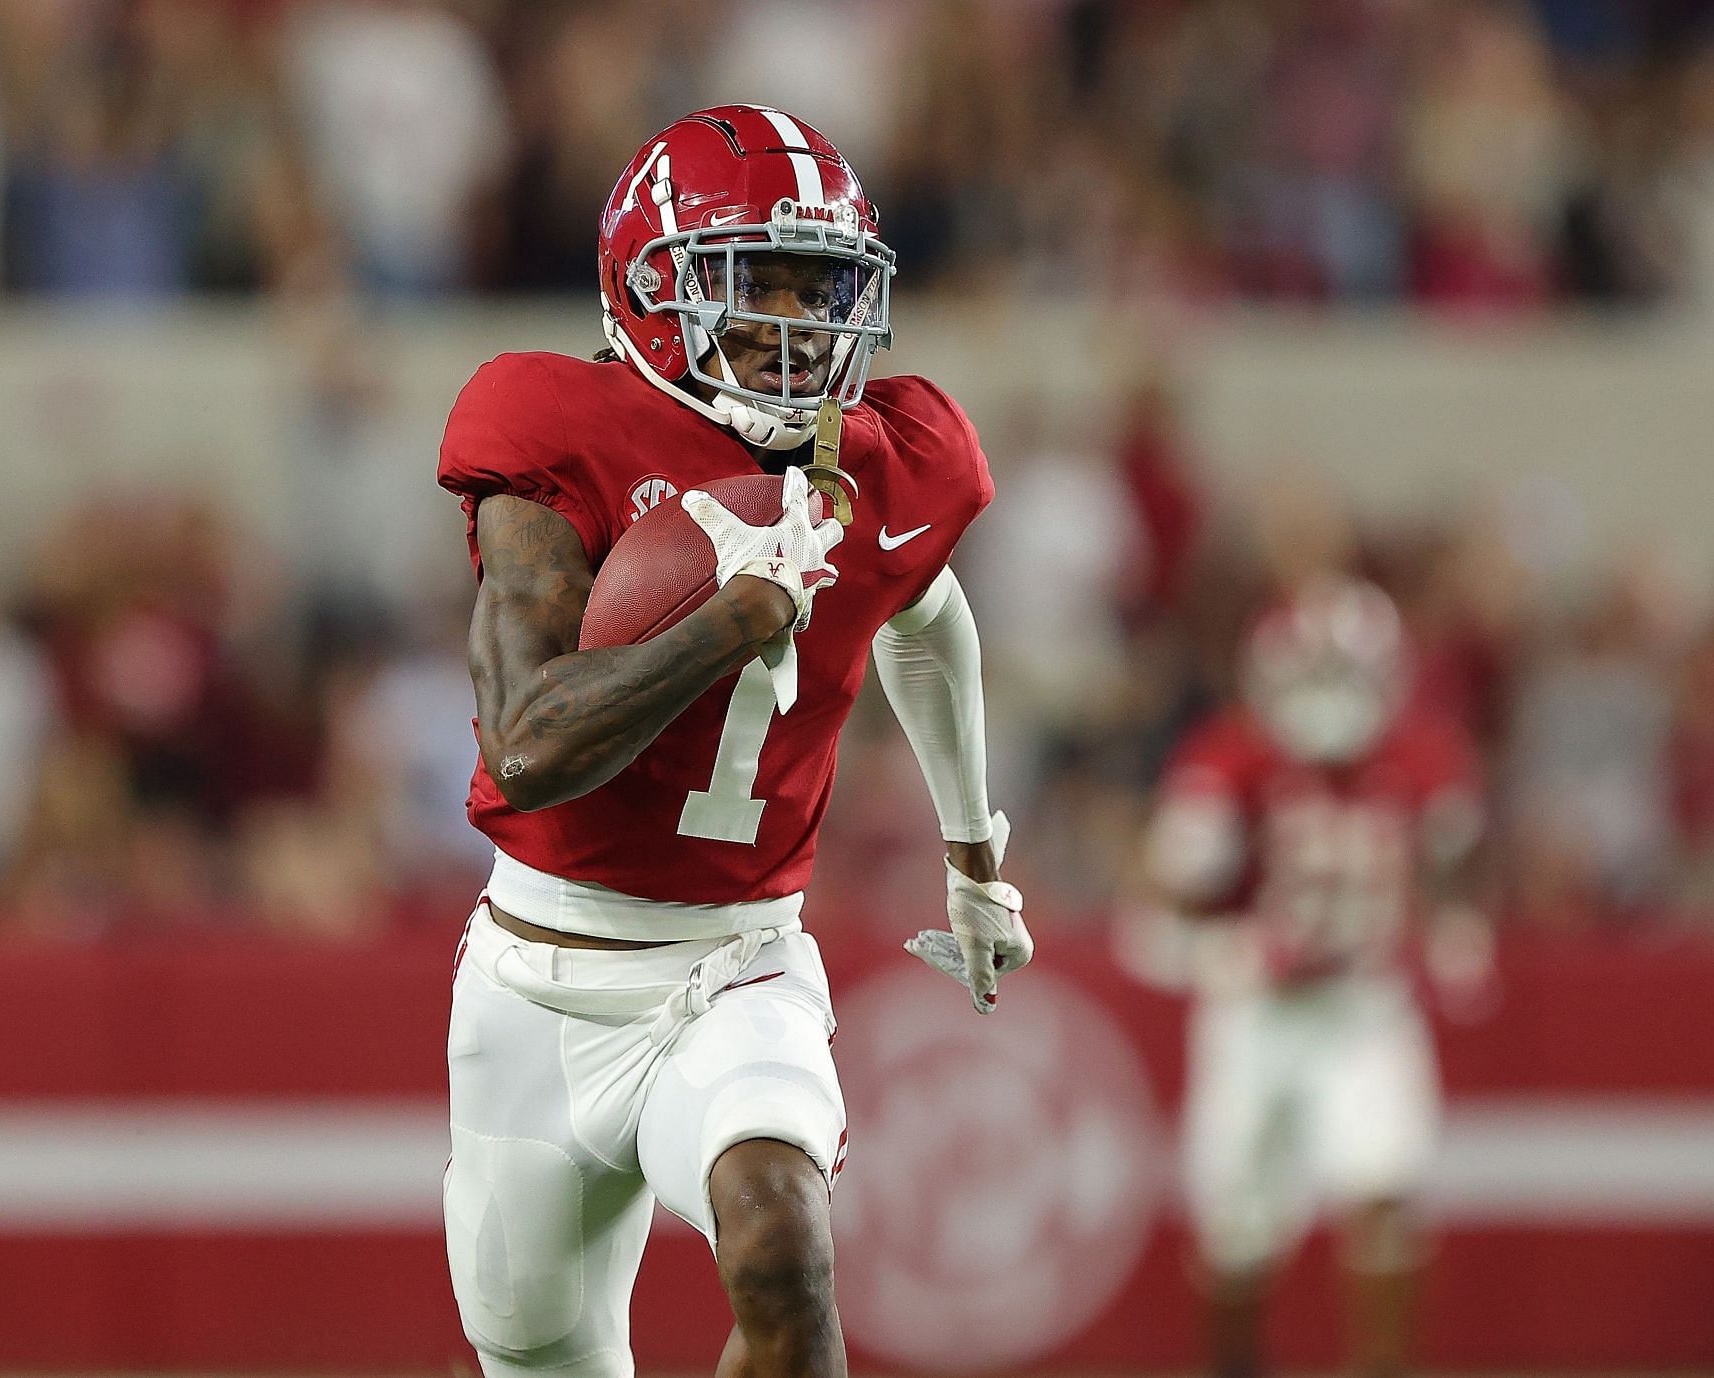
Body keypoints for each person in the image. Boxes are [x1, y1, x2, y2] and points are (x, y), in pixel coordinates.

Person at [435, 106, 1034, 1378]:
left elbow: (923, 614)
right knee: (539, 1352)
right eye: (748, 284)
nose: (791, 329)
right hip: (541, 978)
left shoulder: (885, 461)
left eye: (819, 291)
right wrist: (733, 620)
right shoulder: (557, 436)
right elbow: (531, 742)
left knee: (783, 1250)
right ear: (648, 288)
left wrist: (974, 852)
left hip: (737, 965)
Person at [1123, 578, 1491, 1378]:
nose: (1331, 700)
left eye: (1344, 677)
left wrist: (1453, 928)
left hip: (1364, 1008)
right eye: (1314, 677)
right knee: (1238, 1237)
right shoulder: (1229, 762)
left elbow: (1459, 869)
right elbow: (1150, 921)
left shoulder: (1423, 758)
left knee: (1387, 1196)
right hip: (1255, 1018)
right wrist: (1220, 951)